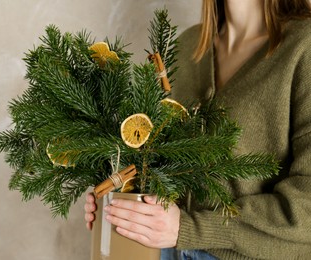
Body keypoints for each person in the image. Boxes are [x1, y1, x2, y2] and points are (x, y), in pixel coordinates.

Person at [85, 0, 311, 259]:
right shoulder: (186, 45)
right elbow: (151, 159)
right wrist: (115, 197)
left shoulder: (304, 46)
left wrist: (192, 228)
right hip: (161, 252)